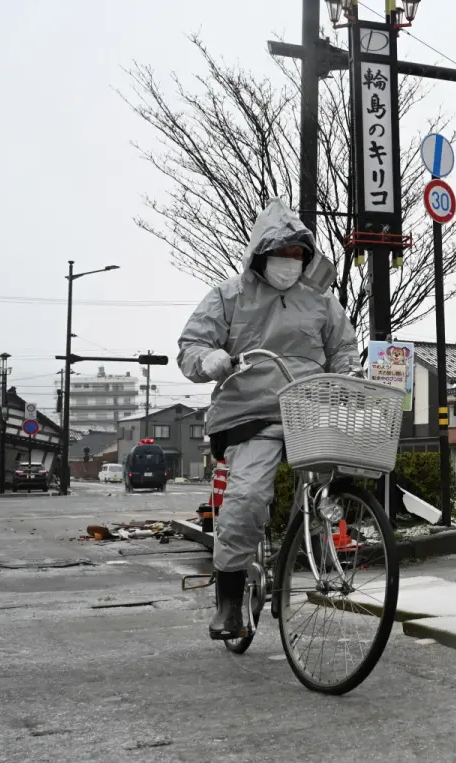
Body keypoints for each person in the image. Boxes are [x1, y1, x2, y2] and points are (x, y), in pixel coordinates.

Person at [178, 199, 357, 640]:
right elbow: (190, 347)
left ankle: (310, 538)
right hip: (250, 413)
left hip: (309, 410)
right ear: (261, 252)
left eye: (299, 255)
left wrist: (350, 376)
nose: (291, 263)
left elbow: (344, 351)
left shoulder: (320, 302)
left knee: (338, 483)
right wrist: (211, 358)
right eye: (283, 253)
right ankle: (229, 603)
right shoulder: (228, 296)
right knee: (247, 498)